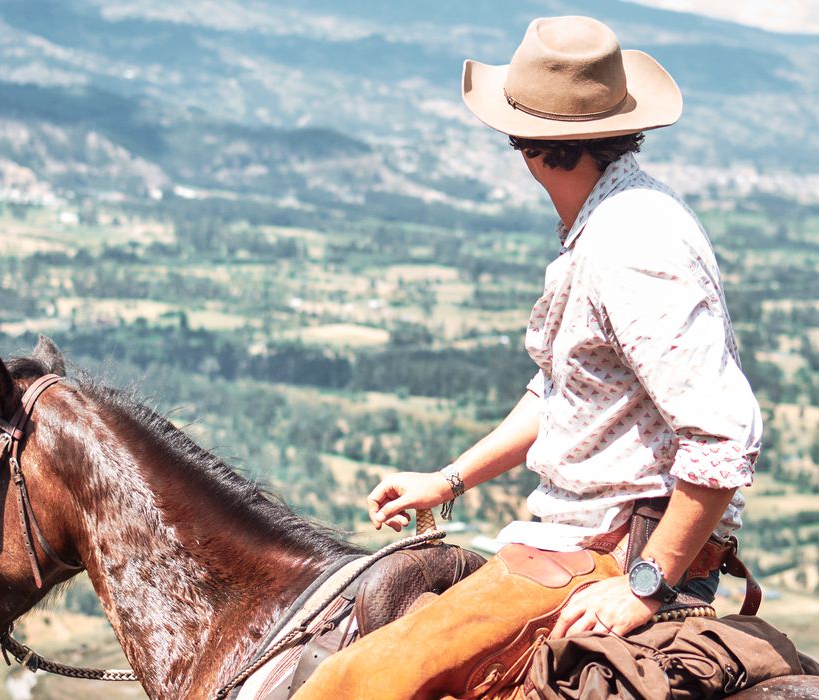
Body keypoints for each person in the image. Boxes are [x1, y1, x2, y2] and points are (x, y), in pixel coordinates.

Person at [293, 15, 761, 698]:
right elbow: (561, 392)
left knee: (350, 683)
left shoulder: (630, 245)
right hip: (590, 542)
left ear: (529, 144)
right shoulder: (611, 217)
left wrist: (645, 587)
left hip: (613, 554)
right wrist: (448, 481)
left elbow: (724, 437)